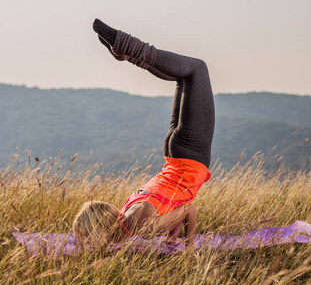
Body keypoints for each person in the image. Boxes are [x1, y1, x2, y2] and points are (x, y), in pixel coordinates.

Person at [73, 19, 215, 251]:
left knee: (197, 69)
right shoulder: (128, 213)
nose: (87, 243)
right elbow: (171, 205)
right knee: (184, 77)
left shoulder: (142, 228)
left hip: (190, 158)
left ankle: (127, 46)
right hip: (175, 155)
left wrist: (188, 250)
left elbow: (187, 209)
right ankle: (127, 52)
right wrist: (171, 239)